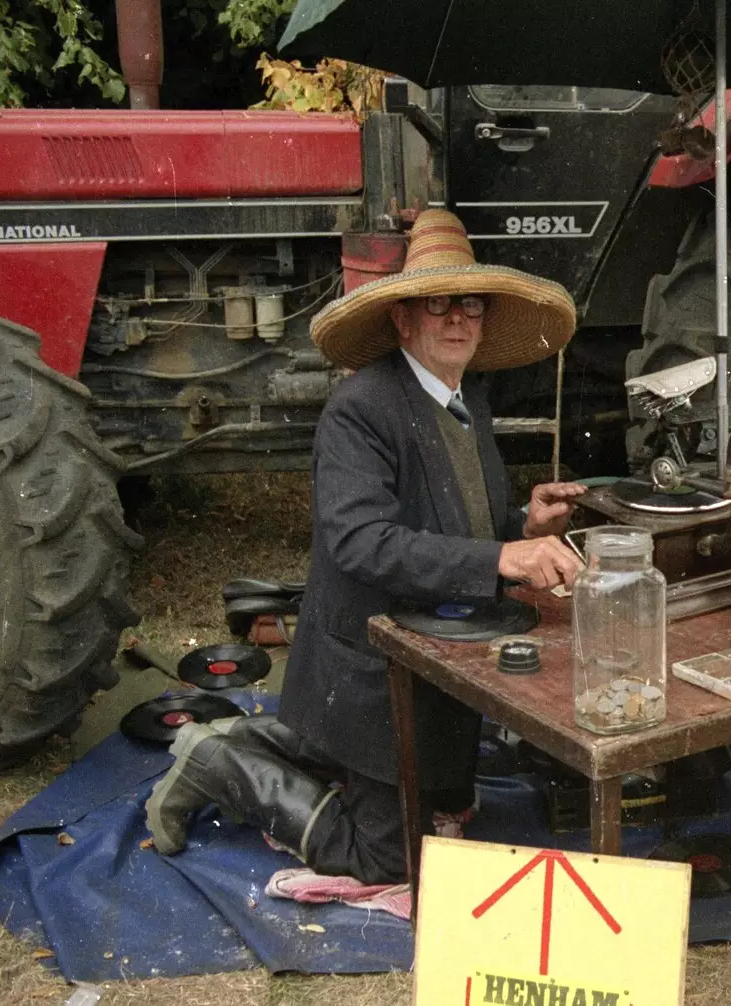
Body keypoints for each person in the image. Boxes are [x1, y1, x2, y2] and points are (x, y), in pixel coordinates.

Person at [145, 210, 588, 883]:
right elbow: (361, 542)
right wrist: (503, 560)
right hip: (369, 664)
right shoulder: (362, 409)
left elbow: (452, 520)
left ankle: (282, 738)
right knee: (389, 859)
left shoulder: (465, 398)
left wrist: (522, 525)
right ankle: (220, 763)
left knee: (450, 805)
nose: (458, 318)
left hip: (435, 660)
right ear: (403, 320)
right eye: (437, 303)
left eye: (470, 303)